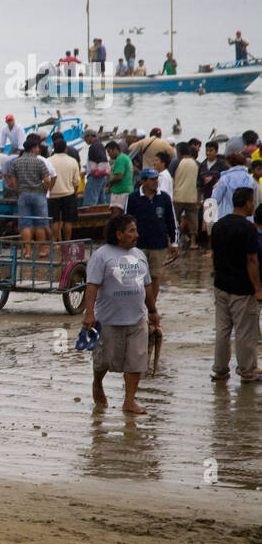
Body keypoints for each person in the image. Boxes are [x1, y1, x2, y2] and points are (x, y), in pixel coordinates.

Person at [84, 215, 159, 415]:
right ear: (118, 234)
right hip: (108, 320)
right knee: (104, 362)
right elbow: (92, 286)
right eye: (131, 231)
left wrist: (153, 311)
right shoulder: (101, 256)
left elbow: (147, 285)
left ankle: (129, 401)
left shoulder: (140, 255)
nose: (136, 235)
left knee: (136, 361)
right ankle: (98, 382)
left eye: (136, 230)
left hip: (137, 319)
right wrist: (89, 314)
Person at [209, 186, 262, 381]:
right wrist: (257, 288)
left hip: (221, 284)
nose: (253, 205)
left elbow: (213, 255)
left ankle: (220, 369)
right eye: (252, 201)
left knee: (222, 330)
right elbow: (252, 260)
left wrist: (216, 275)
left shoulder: (219, 225)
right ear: (247, 202)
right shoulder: (248, 229)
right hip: (242, 287)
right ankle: (247, 371)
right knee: (245, 331)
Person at [127, 167, 178, 310]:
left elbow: (172, 220)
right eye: (152, 179)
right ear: (143, 181)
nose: (155, 182)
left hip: (159, 244)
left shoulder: (164, 198)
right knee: (136, 278)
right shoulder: (133, 198)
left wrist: (174, 242)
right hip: (138, 246)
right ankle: (138, 307)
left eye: (156, 179)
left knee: (155, 277)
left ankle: (151, 308)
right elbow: (125, 221)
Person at [8, 136, 53, 256]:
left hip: (23, 194)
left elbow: (12, 180)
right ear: (33, 148)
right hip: (38, 194)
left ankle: (27, 251)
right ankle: (42, 250)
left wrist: (19, 191)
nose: (39, 150)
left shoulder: (16, 162)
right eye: (37, 147)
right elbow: (47, 180)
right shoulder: (40, 162)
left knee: (25, 224)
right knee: (40, 223)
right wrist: (44, 191)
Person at [46, 134, 81, 242]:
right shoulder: (72, 161)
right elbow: (77, 181)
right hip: (68, 194)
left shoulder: (48, 161)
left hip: (52, 194)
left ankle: (56, 243)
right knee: (67, 221)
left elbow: (46, 179)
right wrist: (74, 192)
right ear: (65, 149)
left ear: (54, 148)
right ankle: (66, 242)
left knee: (54, 221)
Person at [106, 141, 134, 215]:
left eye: (109, 152)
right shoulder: (126, 157)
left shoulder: (120, 159)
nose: (109, 155)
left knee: (116, 217)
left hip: (120, 192)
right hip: (127, 190)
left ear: (115, 149)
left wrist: (109, 183)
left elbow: (119, 176)